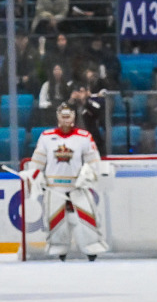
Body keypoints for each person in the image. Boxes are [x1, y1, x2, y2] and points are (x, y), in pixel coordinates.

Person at [18, 102, 107, 262]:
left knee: (88, 218)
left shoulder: (84, 136)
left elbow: (93, 161)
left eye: (68, 116)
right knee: (55, 220)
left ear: (74, 117)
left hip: (78, 186)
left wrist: (88, 176)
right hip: (54, 187)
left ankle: (91, 248)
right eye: (63, 116)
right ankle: (59, 249)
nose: (66, 120)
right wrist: (34, 177)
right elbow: (38, 160)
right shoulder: (46, 136)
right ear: (58, 117)